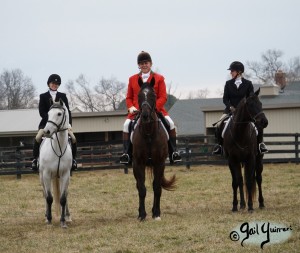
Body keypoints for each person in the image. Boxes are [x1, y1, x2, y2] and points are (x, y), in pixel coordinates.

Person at [119, 51, 182, 165]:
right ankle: (126, 154)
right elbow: (128, 97)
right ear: (138, 65)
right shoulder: (132, 79)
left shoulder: (159, 78)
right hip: (137, 111)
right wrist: (131, 107)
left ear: (151, 63)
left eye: (146, 62)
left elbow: (163, 96)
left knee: (171, 124)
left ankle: (174, 152)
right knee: (126, 125)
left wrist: (154, 108)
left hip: (155, 110)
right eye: (141, 63)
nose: (144, 65)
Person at [212, 61, 268, 155]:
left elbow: (251, 98)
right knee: (219, 125)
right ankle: (220, 146)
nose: (231, 73)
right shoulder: (228, 83)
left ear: (239, 72)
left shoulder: (248, 83)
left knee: (258, 124)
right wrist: (230, 107)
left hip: (245, 111)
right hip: (230, 110)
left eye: (232, 71)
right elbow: (225, 99)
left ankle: (260, 144)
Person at [31, 74, 77, 171]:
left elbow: (68, 111)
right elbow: (41, 111)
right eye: (53, 83)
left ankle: (73, 160)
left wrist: (69, 124)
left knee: (73, 138)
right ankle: (35, 160)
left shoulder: (63, 96)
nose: (54, 85)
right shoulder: (43, 96)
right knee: (38, 137)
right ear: (49, 84)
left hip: (62, 124)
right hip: (47, 123)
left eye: (56, 84)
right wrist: (50, 120)